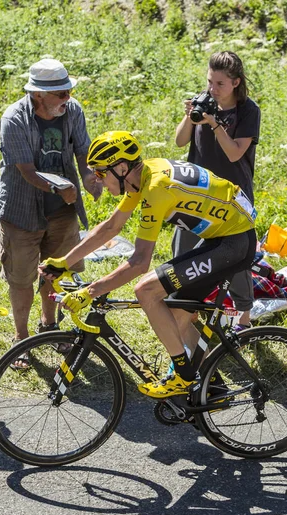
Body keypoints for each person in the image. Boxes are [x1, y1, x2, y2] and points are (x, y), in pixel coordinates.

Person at [39, 131, 257, 398]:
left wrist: (90, 292)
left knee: (146, 290)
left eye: (100, 173)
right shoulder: (141, 176)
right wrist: (64, 262)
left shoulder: (156, 188)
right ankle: (211, 386)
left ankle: (183, 376)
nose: (98, 180)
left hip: (233, 244)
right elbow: (111, 227)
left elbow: (140, 262)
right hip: (224, 238)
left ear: (121, 167)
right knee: (176, 314)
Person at [0, 58, 101, 369]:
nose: (67, 99)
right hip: (21, 210)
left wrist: (91, 178)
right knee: (21, 278)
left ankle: (49, 325)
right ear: (40, 94)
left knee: (56, 272)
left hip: (62, 213)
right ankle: (21, 339)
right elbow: (26, 171)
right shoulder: (13, 119)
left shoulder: (74, 111)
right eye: (61, 94)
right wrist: (58, 189)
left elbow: (83, 152)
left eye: (69, 92)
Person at [175, 51, 260, 336]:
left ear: (236, 82)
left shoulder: (248, 111)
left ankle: (244, 317)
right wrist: (190, 116)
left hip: (231, 196)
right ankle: (185, 307)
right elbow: (180, 141)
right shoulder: (205, 101)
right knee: (182, 250)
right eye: (210, 81)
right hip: (196, 192)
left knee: (236, 256)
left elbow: (236, 153)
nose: (212, 89)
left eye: (219, 84)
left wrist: (214, 124)